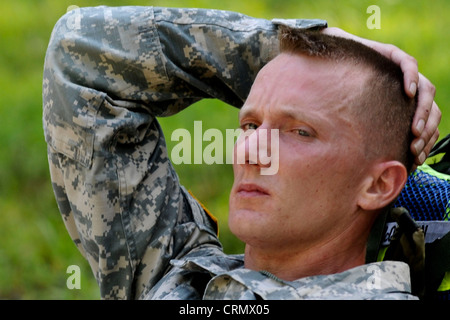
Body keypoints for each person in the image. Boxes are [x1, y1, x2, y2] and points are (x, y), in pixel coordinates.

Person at [43, 6, 440, 299]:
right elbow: (79, 53)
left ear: (378, 184)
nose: (252, 151)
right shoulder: (176, 272)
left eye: (299, 132)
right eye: (250, 125)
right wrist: (292, 49)